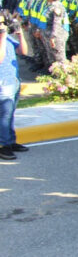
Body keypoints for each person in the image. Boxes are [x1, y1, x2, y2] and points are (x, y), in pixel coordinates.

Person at [0, 19, 27, 160]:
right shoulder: (3, 37)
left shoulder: (7, 36)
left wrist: (21, 35)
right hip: (2, 81)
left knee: (10, 114)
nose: (3, 25)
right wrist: (3, 37)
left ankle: (11, 142)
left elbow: (23, 51)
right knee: (4, 115)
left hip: (14, 79)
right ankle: (4, 146)